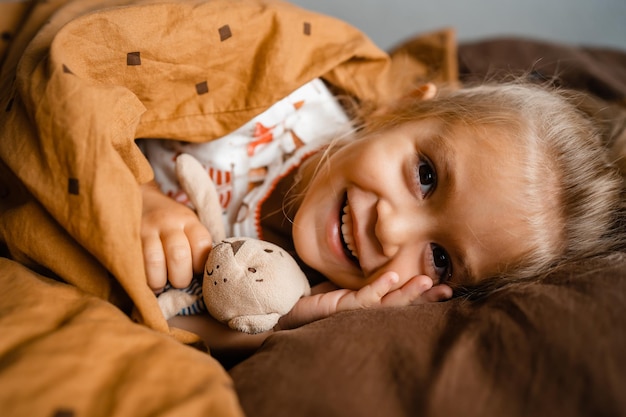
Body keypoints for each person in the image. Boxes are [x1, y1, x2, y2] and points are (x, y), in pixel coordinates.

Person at [139, 78, 625, 354]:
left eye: (439, 258)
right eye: (427, 176)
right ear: (404, 106)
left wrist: (288, 322)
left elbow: (173, 330)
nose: (390, 229)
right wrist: (133, 193)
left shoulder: (317, 297)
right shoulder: (279, 98)